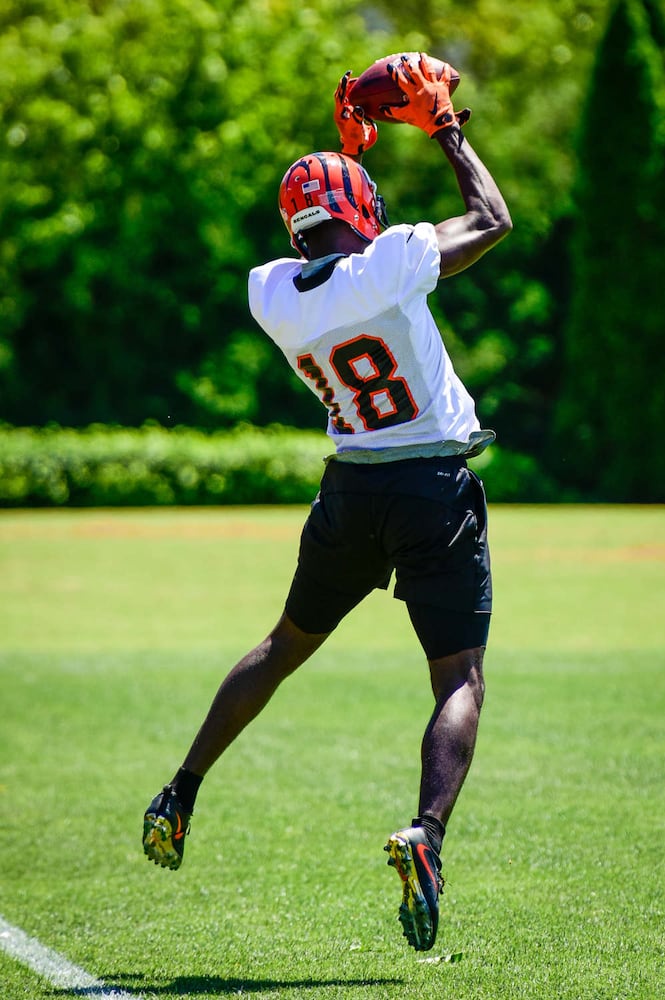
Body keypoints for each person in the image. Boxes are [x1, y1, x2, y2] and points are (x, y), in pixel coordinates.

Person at [142, 53, 512, 953]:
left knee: (281, 647)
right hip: (431, 486)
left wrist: (348, 153)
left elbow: (333, 242)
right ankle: (425, 833)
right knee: (457, 677)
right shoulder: (389, 262)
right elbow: (493, 220)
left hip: (349, 489)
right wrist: (445, 130)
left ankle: (181, 790)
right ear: (364, 215)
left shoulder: (269, 291)